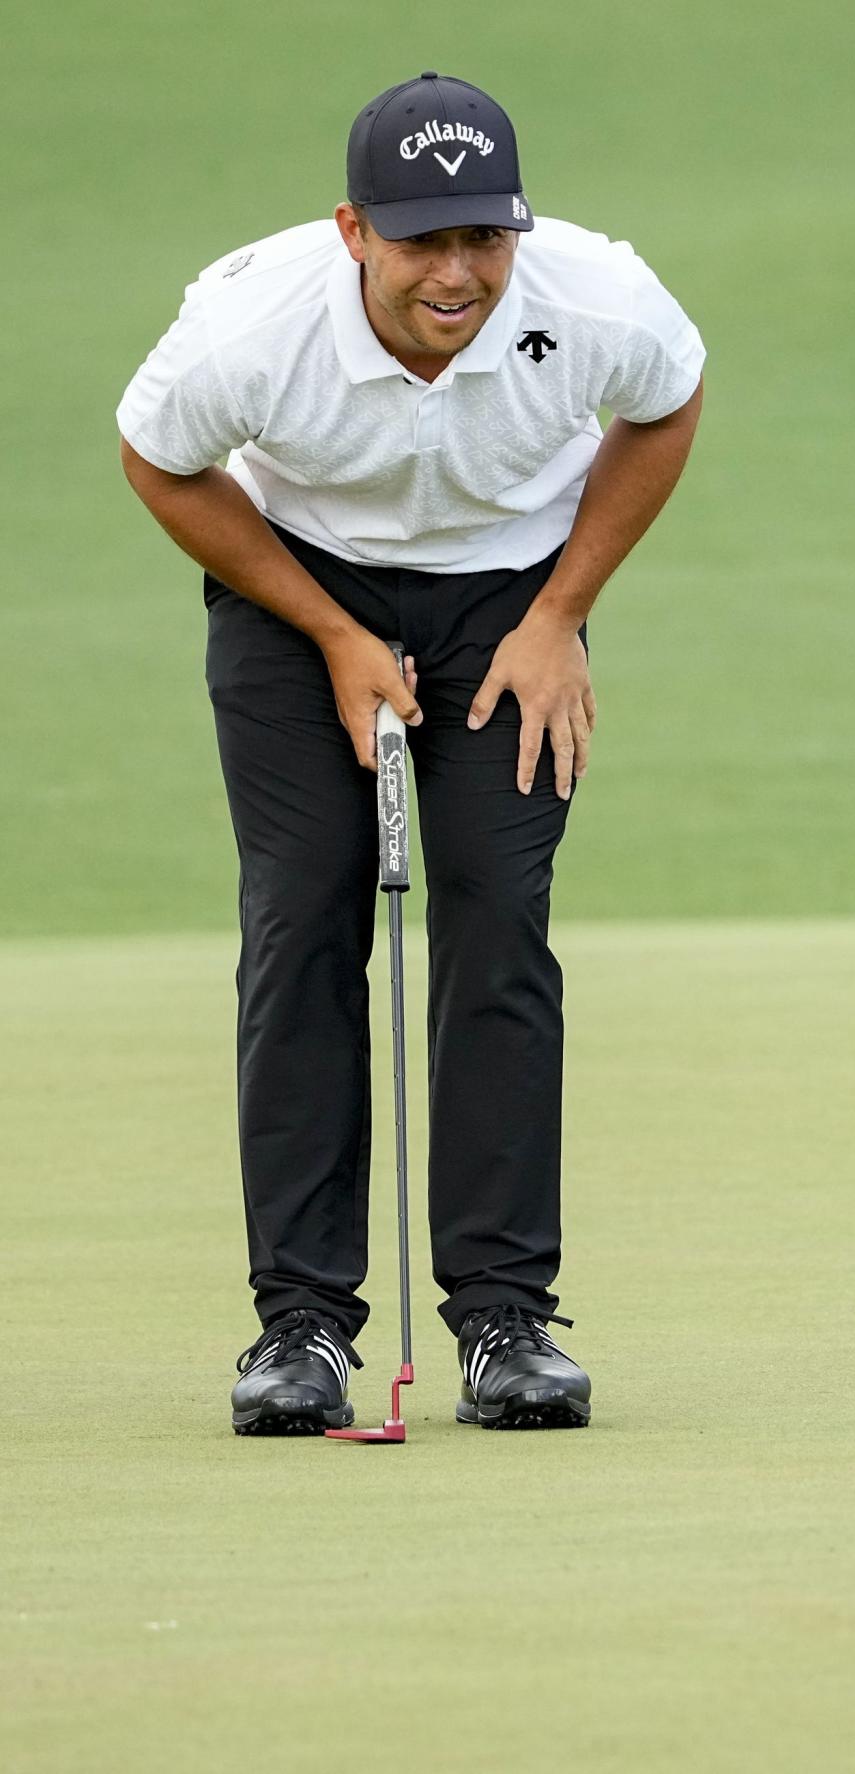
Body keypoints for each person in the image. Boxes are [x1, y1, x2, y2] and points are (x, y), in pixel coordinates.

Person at [115, 72, 705, 1434]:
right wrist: (325, 629)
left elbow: (667, 405)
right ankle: (301, 1329)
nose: (456, 273)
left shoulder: (596, 298)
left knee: (498, 913)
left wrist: (562, 612)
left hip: (508, 593)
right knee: (305, 913)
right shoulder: (249, 329)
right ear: (352, 229)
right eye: (421, 239)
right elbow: (159, 459)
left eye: (481, 238)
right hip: (295, 588)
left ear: (518, 228)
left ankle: (504, 1318)